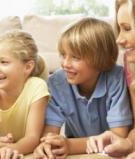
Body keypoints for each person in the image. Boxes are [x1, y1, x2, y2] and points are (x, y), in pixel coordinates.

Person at [33, 17, 133, 159]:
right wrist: (47, 145)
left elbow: (117, 137)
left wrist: (70, 146)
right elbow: (50, 132)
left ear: (101, 58)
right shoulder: (56, 83)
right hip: (76, 142)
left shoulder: (116, 78)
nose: (65, 64)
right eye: (63, 55)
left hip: (106, 150)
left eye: (75, 57)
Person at [0, 30, 49, 159]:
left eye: (4, 62)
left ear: (27, 67)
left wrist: (11, 149)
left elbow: (32, 137)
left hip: (22, 146)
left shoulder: (37, 87)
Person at [86, 0, 135, 158]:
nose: (119, 39)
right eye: (119, 29)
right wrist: (128, 143)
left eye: (127, 28)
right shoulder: (131, 65)